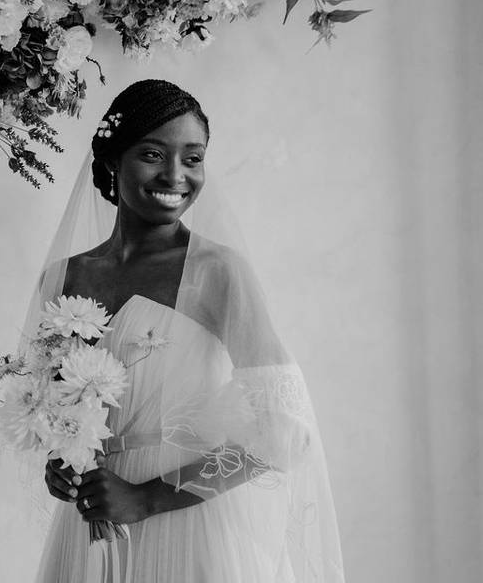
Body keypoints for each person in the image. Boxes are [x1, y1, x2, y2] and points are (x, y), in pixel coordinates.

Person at [25, 80, 344, 582]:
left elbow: (286, 429)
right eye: (152, 154)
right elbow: (52, 405)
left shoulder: (217, 271)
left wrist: (146, 498)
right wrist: (61, 461)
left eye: (193, 158)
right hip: (91, 523)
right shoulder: (63, 278)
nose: (175, 175)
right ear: (112, 159)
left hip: (186, 522)